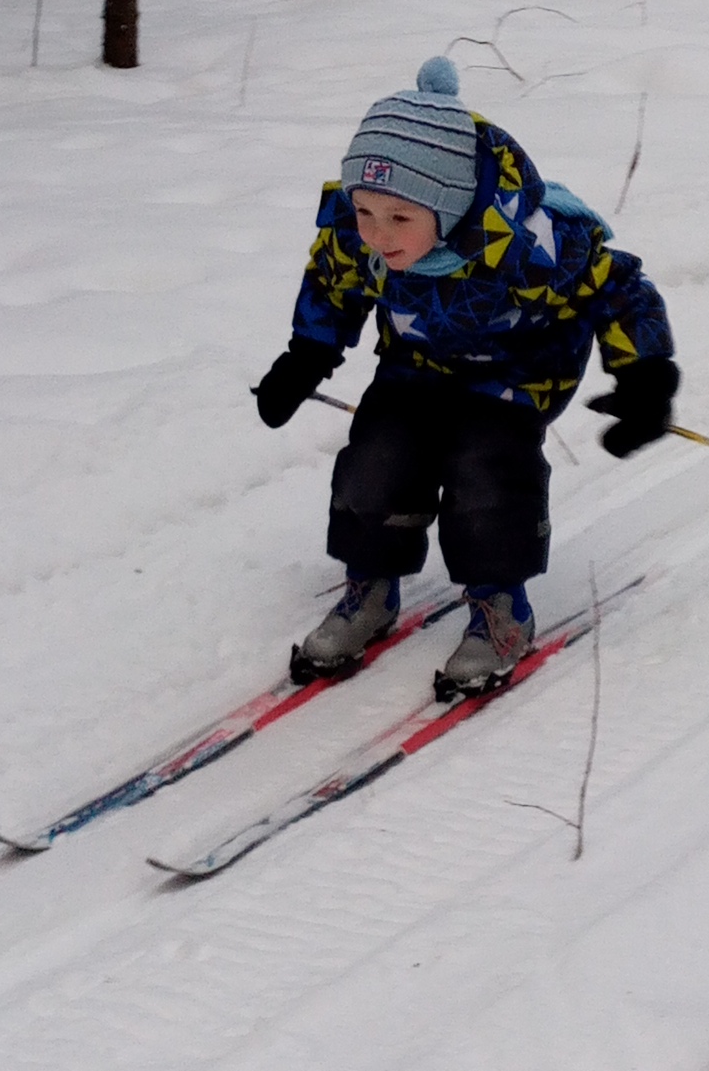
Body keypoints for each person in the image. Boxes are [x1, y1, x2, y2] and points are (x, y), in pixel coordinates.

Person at [253, 54, 679, 696]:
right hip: (417, 363)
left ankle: (500, 605)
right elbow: (333, 283)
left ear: (449, 205)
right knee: (376, 460)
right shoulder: (359, 233)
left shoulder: (527, 242)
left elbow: (618, 290)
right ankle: (370, 588)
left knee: (485, 466)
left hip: (518, 372)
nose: (377, 234)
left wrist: (644, 376)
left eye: (399, 218)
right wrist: (306, 355)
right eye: (365, 211)